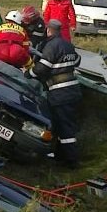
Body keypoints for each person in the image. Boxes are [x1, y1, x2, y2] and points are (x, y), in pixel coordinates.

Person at [25, 19, 83, 168]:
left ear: (49, 30)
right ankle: (60, 155)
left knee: (65, 127)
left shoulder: (52, 46)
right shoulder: (67, 44)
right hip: (73, 90)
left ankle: (71, 161)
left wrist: (28, 73)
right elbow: (77, 60)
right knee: (65, 124)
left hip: (60, 92)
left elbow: (42, 68)